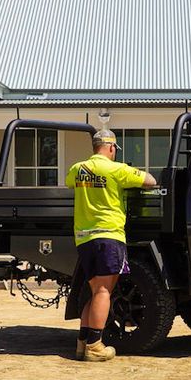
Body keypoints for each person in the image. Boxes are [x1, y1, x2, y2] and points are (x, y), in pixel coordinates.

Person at [66, 128, 157, 361]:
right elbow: (150, 181)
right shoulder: (117, 170)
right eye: (114, 148)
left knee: (94, 292)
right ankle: (95, 346)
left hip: (85, 239)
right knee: (104, 291)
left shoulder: (78, 169)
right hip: (109, 236)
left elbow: (69, 183)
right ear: (110, 147)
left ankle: (82, 343)